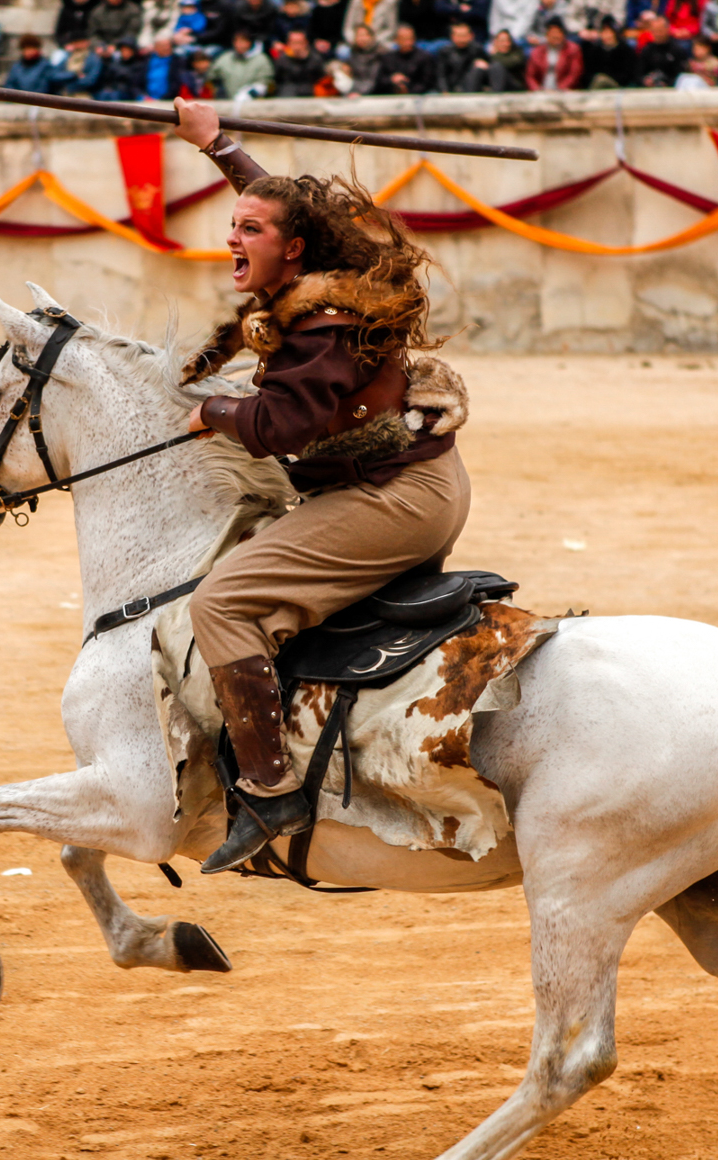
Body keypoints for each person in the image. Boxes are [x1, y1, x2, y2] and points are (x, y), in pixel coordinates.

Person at [168, 97, 471, 875]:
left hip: (393, 501)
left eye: (249, 232)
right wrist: (218, 144)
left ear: (293, 253)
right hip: (416, 484)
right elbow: (288, 207)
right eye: (233, 224)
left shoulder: (323, 324)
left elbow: (281, 428)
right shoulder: (326, 279)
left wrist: (214, 409)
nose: (232, 238)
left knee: (221, 602)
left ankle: (271, 794)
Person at [207, 28, 272, 96]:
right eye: (236, 41)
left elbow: (266, 82)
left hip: (252, 101)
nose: (238, 44)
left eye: (242, 41)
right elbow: (211, 76)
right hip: (228, 100)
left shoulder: (261, 59)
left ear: (249, 42)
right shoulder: (225, 58)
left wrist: (252, 92)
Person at [375, 22, 436, 92]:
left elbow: (428, 82)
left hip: (418, 95)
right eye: (403, 39)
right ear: (396, 40)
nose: (408, 42)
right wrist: (392, 80)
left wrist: (408, 89)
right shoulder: (388, 58)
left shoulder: (425, 57)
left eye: (410, 38)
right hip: (391, 95)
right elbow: (379, 80)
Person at [578, 18, 636, 87]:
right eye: (604, 32)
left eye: (609, 32)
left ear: (615, 34)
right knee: (599, 80)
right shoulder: (595, 51)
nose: (607, 36)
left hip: (619, 85)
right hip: (597, 82)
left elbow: (628, 74)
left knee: (601, 80)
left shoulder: (625, 50)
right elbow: (589, 73)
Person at [435, 20, 491, 90]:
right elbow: (441, 75)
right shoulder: (445, 52)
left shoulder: (478, 50)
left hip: (474, 86)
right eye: (459, 35)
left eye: (464, 35)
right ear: (452, 36)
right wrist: (444, 90)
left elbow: (488, 67)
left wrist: (485, 66)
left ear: (471, 36)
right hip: (453, 87)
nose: (461, 39)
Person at [525, 18, 580, 88]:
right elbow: (530, 76)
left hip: (565, 92)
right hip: (541, 92)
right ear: (547, 35)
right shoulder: (537, 52)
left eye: (558, 32)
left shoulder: (573, 50)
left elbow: (574, 74)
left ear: (563, 34)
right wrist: (537, 90)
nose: (555, 36)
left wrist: (560, 90)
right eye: (552, 33)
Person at [274, 27, 326, 95]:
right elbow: (277, 80)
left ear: (306, 43)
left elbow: (321, 79)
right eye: (294, 43)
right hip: (287, 94)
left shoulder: (315, 60)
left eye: (300, 42)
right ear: (288, 43)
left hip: (310, 93)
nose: (297, 46)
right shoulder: (282, 60)